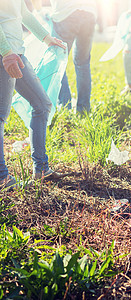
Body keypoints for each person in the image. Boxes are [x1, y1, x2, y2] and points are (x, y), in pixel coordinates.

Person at [0, 0, 66, 188]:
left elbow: (24, 14)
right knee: (0, 116)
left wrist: (46, 37)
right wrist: (6, 53)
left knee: (42, 105)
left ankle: (41, 169)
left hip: (18, 54)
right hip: (5, 55)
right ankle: (2, 178)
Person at [49, 0, 98, 113]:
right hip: (89, 12)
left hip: (65, 13)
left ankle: (65, 108)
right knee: (83, 63)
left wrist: (38, 11)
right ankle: (83, 110)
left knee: (58, 62)